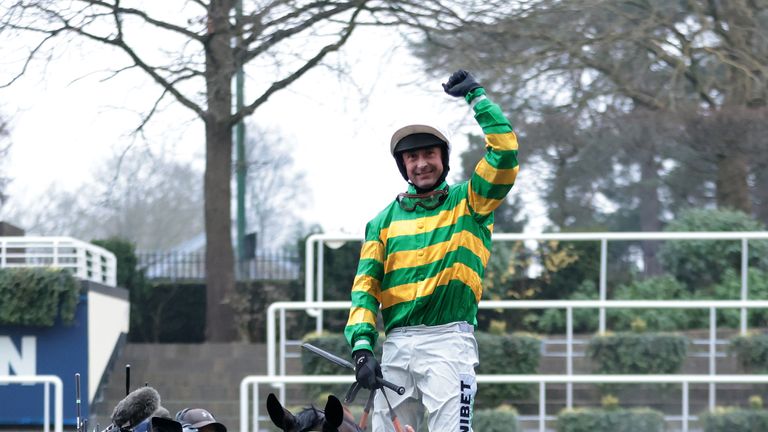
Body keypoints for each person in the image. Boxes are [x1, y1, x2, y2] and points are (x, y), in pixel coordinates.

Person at [344, 69, 519, 431]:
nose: (420, 163)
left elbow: (504, 154)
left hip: (449, 342)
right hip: (396, 346)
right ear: (402, 165)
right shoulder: (381, 222)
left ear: (443, 159)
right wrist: (362, 348)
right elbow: (365, 291)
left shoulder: (471, 201)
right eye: (412, 157)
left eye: (428, 154)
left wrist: (477, 98)